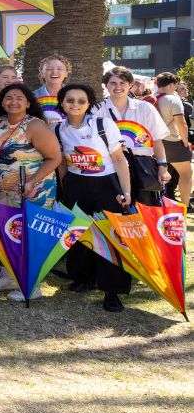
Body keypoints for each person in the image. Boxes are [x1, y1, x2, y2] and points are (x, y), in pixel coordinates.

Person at [52, 83, 134, 312]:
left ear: (89, 104)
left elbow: (119, 160)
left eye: (81, 101)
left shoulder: (102, 124)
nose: (75, 105)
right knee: (79, 233)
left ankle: (112, 291)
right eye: (70, 100)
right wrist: (65, 188)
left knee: (110, 237)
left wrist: (126, 192)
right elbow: (63, 164)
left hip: (106, 185)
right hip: (77, 186)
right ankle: (82, 278)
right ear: (62, 103)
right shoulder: (58, 129)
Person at [0, 84, 62, 300]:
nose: (13, 101)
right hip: (4, 191)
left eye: (19, 98)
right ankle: (8, 275)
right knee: (8, 234)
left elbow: (55, 158)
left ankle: (31, 285)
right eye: (9, 97)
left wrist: (33, 181)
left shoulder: (35, 125)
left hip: (33, 190)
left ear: (28, 102)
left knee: (29, 236)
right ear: (2, 101)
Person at [99, 67, 171, 205]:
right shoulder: (97, 109)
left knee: (145, 210)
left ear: (130, 85)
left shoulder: (145, 108)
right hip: (111, 166)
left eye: (123, 83)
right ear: (106, 85)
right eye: (113, 83)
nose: (118, 87)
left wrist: (163, 167)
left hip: (143, 166)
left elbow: (156, 140)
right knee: (115, 210)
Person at [154, 72, 192, 207]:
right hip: (172, 142)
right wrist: (185, 141)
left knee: (160, 176)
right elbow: (182, 123)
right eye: (175, 85)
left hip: (153, 143)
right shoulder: (173, 99)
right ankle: (185, 206)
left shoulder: (149, 98)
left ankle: (161, 205)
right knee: (186, 175)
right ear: (171, 85)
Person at [33, 54, 71, 123]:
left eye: (59, 69)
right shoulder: (33, 97)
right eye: (49, 69)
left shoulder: (73, 95)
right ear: (42, 74)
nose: (54, 72)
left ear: (66, 73)